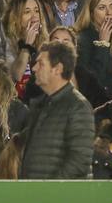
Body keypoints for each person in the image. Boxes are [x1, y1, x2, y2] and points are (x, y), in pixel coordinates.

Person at [20, 40, 94, 178]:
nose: (34, 68)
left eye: (40, 64)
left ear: (58, 69)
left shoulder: (78, 106)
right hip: (36, 195)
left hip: (62, 198)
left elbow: (79, 161)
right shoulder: (40, 105)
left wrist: (49, 190)